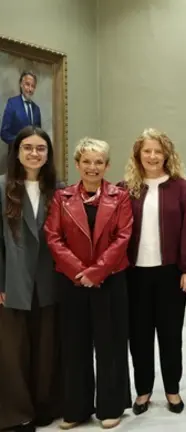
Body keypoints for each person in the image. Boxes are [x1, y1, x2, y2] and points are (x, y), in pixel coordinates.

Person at [44, 137, 133, 429]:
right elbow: (54, 237)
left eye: (99, 162)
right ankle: (77, 409)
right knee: (75, 346)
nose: (92, 167)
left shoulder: (119, 197)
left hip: (110, 281)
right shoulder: (62, 197)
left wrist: (97, 272)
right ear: (77, 164)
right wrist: (80, 271)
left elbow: (123, 237)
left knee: (110, 345)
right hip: (72, 283)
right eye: (87, 162)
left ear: (106, 165)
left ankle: (111, 406)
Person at [122, 128, 186, 415]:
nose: (153, 156)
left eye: (158, 151)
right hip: (135, 274)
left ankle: (172, 390)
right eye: (147, 151)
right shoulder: (125, 188)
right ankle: (143, 390)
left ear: (167, 155)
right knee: (139, 335)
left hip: (170, 273)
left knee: (170, 335)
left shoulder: (182, 188)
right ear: (138, 155)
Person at [0, 126, 60, 432]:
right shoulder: (2, 187)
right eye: (28, 147)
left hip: (50, 282)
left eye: (40, 148)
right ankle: (16, 412)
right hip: (13, 282)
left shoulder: (59, 189)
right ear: (17, 152)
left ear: (48, 154)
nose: (34, 153)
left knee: (47, 348)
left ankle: (44, 406)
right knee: (13, 351)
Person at [1, 72, 42, 146]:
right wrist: (21, 142)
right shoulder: (12, 103)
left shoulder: (36, 109)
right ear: (21, 85)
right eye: (27, 84)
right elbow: (4, 133)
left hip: (33, 154)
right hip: (16, 154)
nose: (30, 89)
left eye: (33, 86)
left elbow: (39, 134)